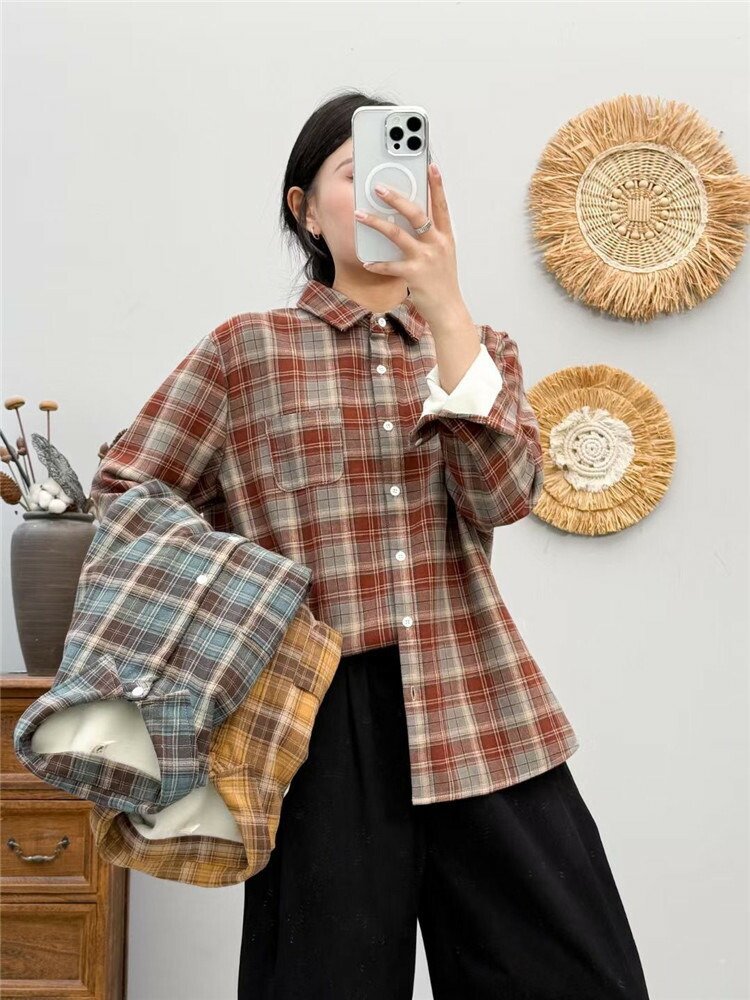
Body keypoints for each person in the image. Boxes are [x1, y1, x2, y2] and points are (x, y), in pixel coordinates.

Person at [232, 89, 651, 999]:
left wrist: (448, 310)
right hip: (321, 717)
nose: (386, 191)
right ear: (306, 211)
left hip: (472, 695)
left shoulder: (479, 349)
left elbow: (504, 498)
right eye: (356, 173)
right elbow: (134, 490)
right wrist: (245, 616)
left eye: (403, 171)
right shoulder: (247, 353)